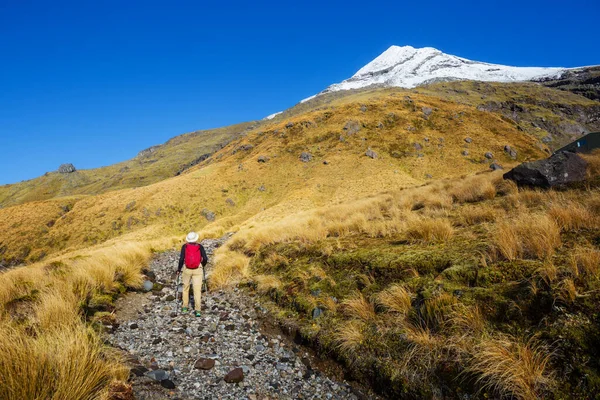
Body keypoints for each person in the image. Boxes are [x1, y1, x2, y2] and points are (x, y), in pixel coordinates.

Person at [176, 232, 208, 317]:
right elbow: (205, 258)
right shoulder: (200, 246)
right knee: (197, 290)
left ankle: (185, 307)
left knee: (185, 288)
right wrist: (201, 265)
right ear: (196, 239)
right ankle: (198, 311)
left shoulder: (184, 246)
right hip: (198, 269)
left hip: (187, 269)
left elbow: (181, 259)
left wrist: (179, 269)